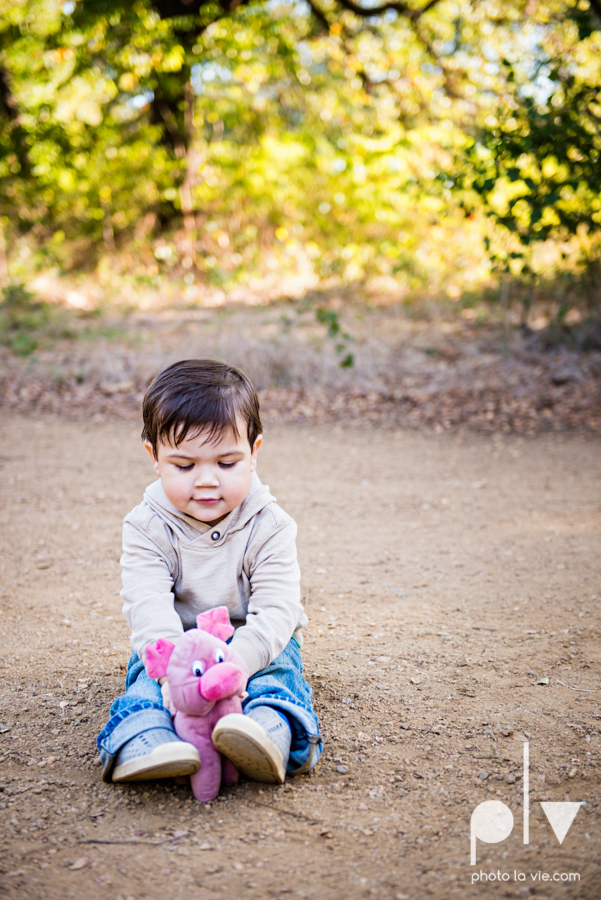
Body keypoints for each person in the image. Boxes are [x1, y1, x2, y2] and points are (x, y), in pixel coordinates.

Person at [97, 359, 322, 786]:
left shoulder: (270, 525)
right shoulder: (145, 526)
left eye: (226, 463)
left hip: (254, 643)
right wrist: (174, 679)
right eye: (184, 466)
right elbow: (147, 608)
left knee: (277, 679)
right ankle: (146, 742)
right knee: (146, 684)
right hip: (176, 648)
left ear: (253, 454)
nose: (206, 482)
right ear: (155, 458)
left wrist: (233, 666)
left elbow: (278, 610)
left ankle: (267, 733)